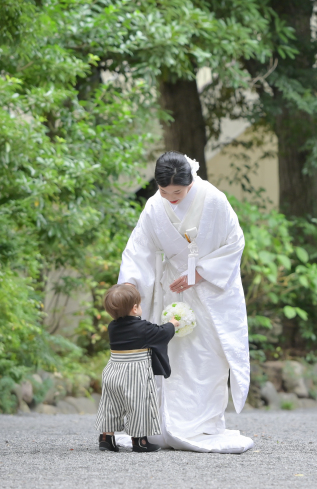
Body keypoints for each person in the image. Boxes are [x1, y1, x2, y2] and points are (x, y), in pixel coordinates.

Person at [116, 151, 254, 453]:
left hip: (207, 290)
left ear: (190, 183)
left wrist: (199, 274)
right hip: (172, 287)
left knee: (206, 357)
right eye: (164, 191)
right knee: (172, 356)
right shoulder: (155, 206)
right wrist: (129, 285)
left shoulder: (214, 201)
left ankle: (204, 423)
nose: (170, 198)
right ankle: (166, 422)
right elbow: (139, 248)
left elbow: (235, 242)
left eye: (177, 192)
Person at [96, 283, 179, 453]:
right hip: (135, 374)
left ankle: (106, 438)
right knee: (139, 405)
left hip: (113, 371)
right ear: (135, 309)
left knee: (111, 405)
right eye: (139, 305)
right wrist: (172, 323)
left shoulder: (112, 327)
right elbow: (162, 333)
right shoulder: (143, 328)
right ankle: (140, 441)